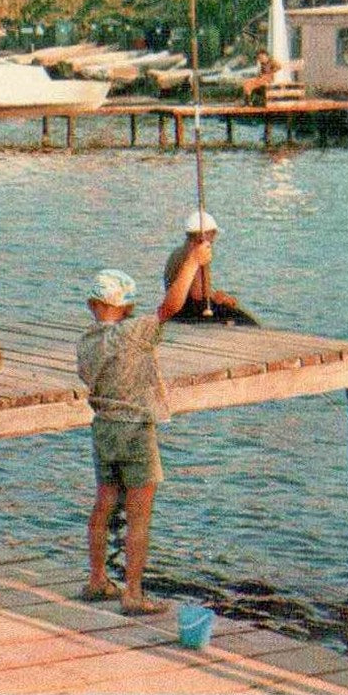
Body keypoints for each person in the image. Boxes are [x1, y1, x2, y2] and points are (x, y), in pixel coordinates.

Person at [77, 241, 212, 617]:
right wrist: (193, 262)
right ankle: (133, 592)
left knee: (103, 504)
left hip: (103, 428)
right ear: (128, 308)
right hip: (136, 429)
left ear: (92, 305)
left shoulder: (86, 342)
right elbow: (171, 306)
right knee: (139, 514)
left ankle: (97, 578)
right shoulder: (133, 333)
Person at [162, 211, 257, 325]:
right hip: (189, 312)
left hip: (176, 310)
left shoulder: (177, 252)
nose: (214, 238)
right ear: (205, 234)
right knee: (245, 320)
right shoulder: (199, 254)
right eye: (213, 233)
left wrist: (215, 294)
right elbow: (197, 295)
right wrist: (220, 299)